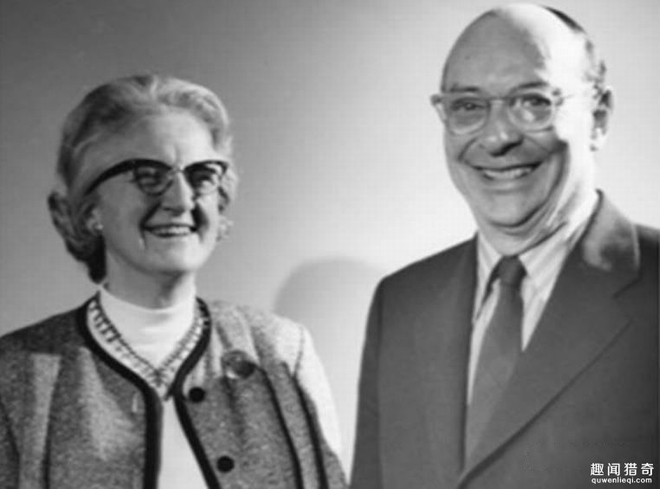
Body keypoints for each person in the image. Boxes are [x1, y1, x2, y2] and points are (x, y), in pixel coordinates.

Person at [351, 4, 658, 488]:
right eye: (468, 106)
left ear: (598, 117)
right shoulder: (401, 303)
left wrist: (600, 476)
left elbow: (642, 473)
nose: (497, 137)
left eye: (533, 101)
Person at [0, 74, 346, 489]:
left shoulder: (281, 350)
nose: (181, 200)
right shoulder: (16, 374)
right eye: (148, 175)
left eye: (201, 176)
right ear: (91, 210)